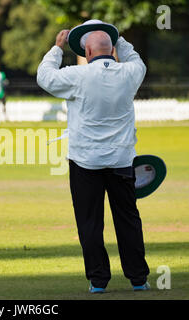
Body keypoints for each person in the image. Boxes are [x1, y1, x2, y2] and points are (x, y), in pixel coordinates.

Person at [37, 21, 150, 293]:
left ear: (87, 53)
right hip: (122, 160)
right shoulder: (131, 72)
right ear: (112, 50)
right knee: (128, 219)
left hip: (85, 161)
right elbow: (135, 58)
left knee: (89, 222)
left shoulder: (77, 75)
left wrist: (57, 48)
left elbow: (44, 76)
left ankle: (98, 281)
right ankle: (138, 279)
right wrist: (117, 38)